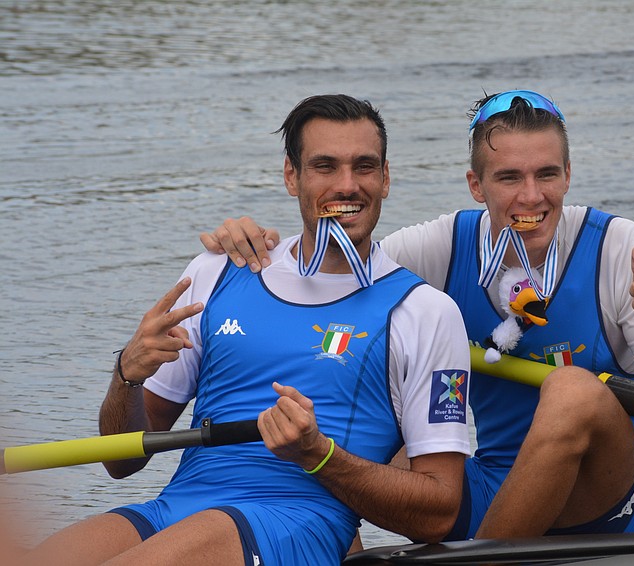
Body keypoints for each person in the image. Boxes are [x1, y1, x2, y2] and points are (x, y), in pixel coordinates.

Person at [200, 90, 634, 541]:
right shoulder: (443, 247)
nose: (531, 196)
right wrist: (260, 247)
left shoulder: (615, 246)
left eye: (547, 175)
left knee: (572, 391)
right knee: (367, 418)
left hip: (605, 503)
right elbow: (331, 272)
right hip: (494, 492)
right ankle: (330, 544)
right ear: (477, 185)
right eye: (509, 177)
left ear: (568, 176)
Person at [24, 94, 471, 565]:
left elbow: (438, 512)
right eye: (325, 166)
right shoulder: (217, 272)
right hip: (173, 509)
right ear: (291, 176)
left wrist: (318, 454)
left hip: (297, 521)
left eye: (364, 166)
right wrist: (126, 376)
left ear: (385, 178)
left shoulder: (425, 312)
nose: (347, 185)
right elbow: (120, 461)